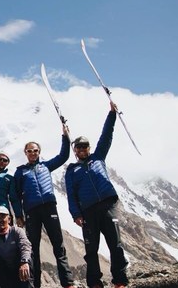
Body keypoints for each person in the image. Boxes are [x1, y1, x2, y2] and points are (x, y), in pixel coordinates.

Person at [65, 102, 129, 288]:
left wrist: (112, 114)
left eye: (85, 147)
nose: (82, 150)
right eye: (79, 147)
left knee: (115, 245)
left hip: (108, 206)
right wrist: (76, 214)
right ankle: (94, 283)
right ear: (75, 150)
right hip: (88, 212)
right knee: (91, 249)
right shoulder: (71, 170)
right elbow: (71, 194)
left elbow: (106, 136)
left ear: (89, 148)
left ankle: (120, 281)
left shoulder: (98, 157)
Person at [14, 124, 76, 288]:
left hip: (49, 207)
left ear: (39, 152)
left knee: (58, 244)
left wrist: (65, 136)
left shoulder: (46, 166)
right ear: (25, 153)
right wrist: (19, 215)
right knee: (33, 248)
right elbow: (15, 195)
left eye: (35, 150)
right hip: (31, 211)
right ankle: (34, 284)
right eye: (29, 151)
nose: (32, 153)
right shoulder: (20, 172)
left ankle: (67, 282)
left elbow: (63, 156)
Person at [0, 205, 34, 288]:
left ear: (9, 219)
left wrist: (24, 262)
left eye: (3, 216)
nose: (0, 219)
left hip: (19, 269)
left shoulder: (17, 231)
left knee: (28, 257)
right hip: (4, 272)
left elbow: (25, 246)